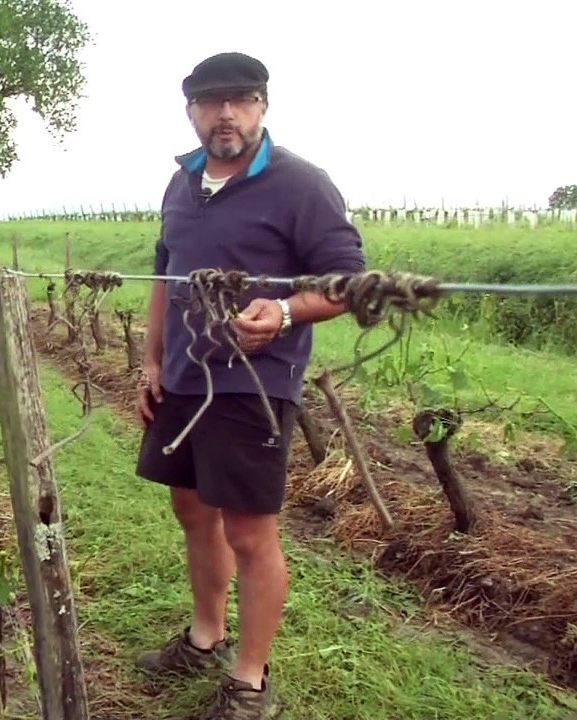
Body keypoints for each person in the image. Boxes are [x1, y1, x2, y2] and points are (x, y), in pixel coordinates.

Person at [133, 51, 367, 719]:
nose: (225, 112)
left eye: (240, 99)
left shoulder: (302, 185)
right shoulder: (181, 183)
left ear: (263, 107)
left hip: (253, 387)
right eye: (211, 101)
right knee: (191, 512)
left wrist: (288, 311)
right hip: (181, 379)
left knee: (249, 532)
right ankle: (205, 637)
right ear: (192, 112)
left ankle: (250, 680)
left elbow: (346, 282)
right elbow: (166, 275)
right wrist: (152, 360)